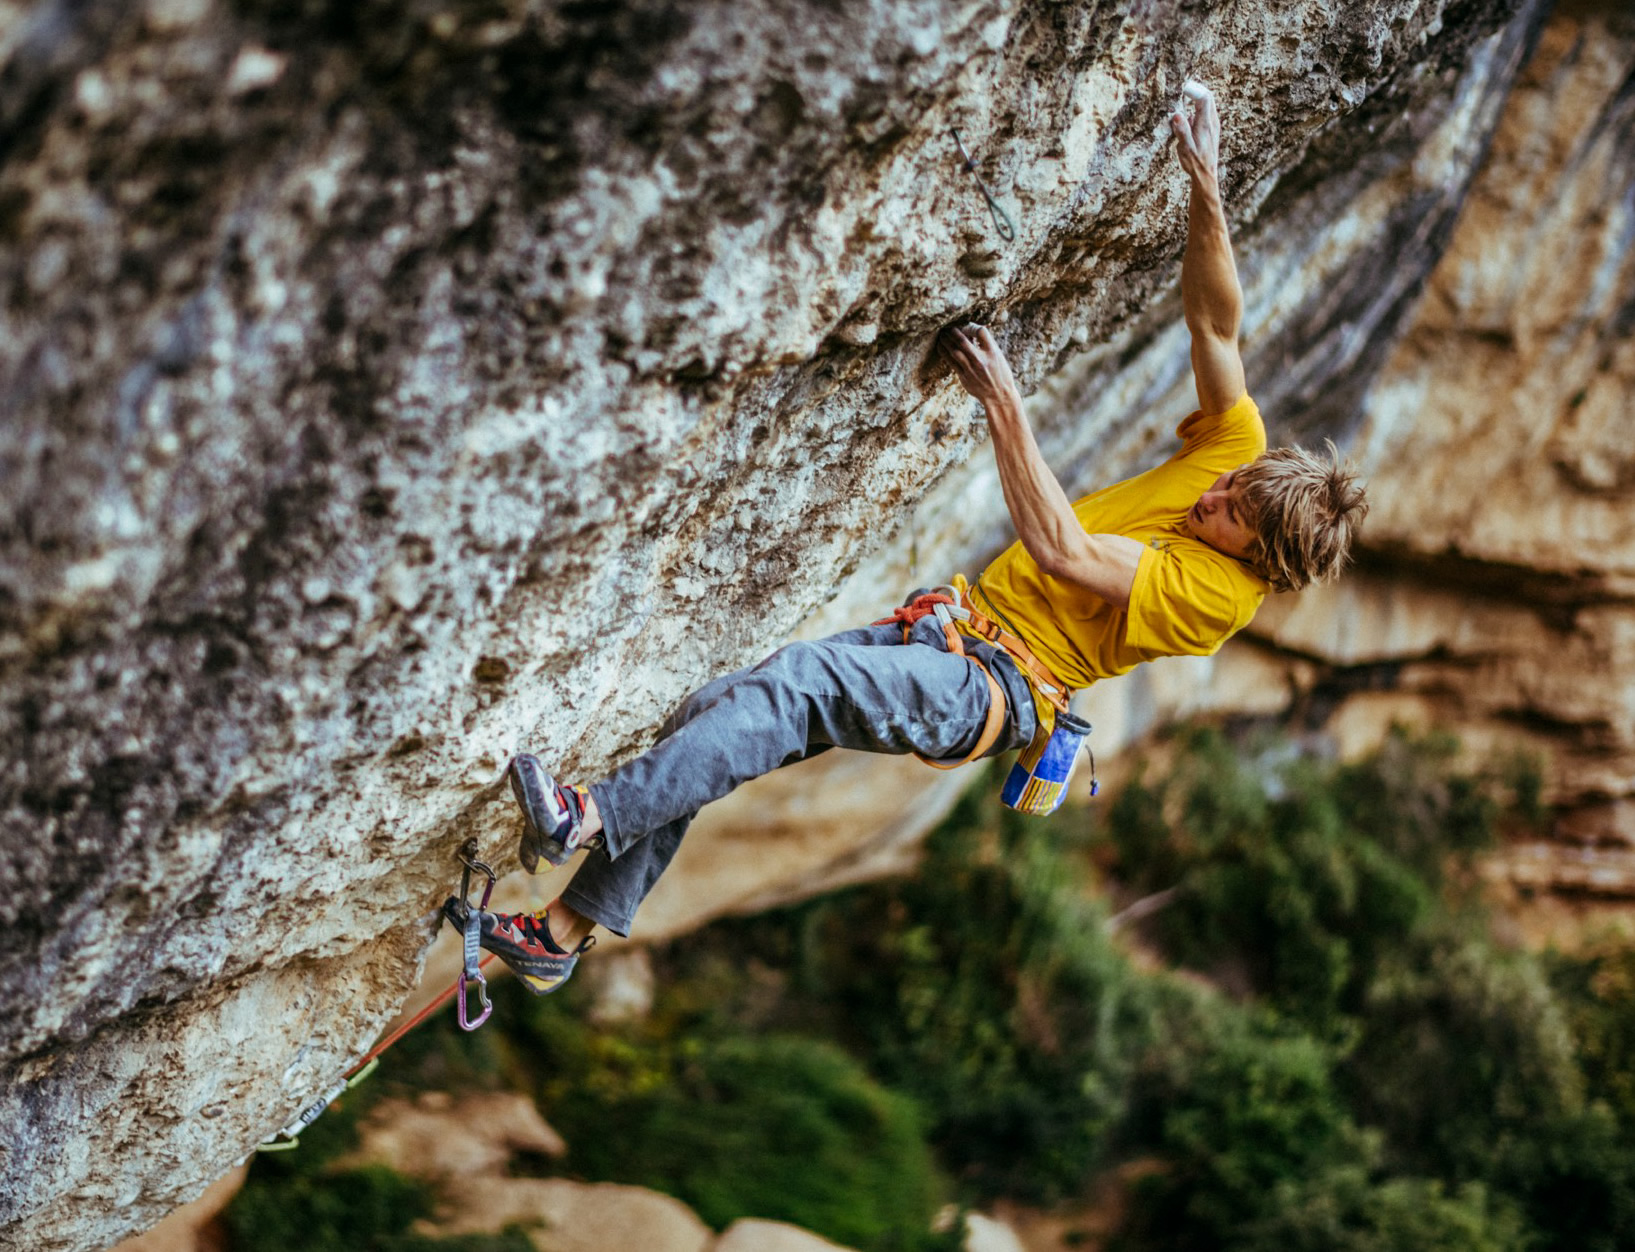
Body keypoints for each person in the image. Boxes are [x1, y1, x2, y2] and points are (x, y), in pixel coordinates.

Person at [443, 81, 1368, 994]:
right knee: (721, 705)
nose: (1213, 494)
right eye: (1231, 484)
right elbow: (1216, 323)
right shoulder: (1235, 458)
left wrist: (1005, 409)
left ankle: (587, 817)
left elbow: (1065, 551)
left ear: (1254, 556)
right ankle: (564, 933)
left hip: (988, 688)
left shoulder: (1215, 597)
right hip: (949, 629)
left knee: (797, 689)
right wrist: (1203, 185)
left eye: (1229, 513)